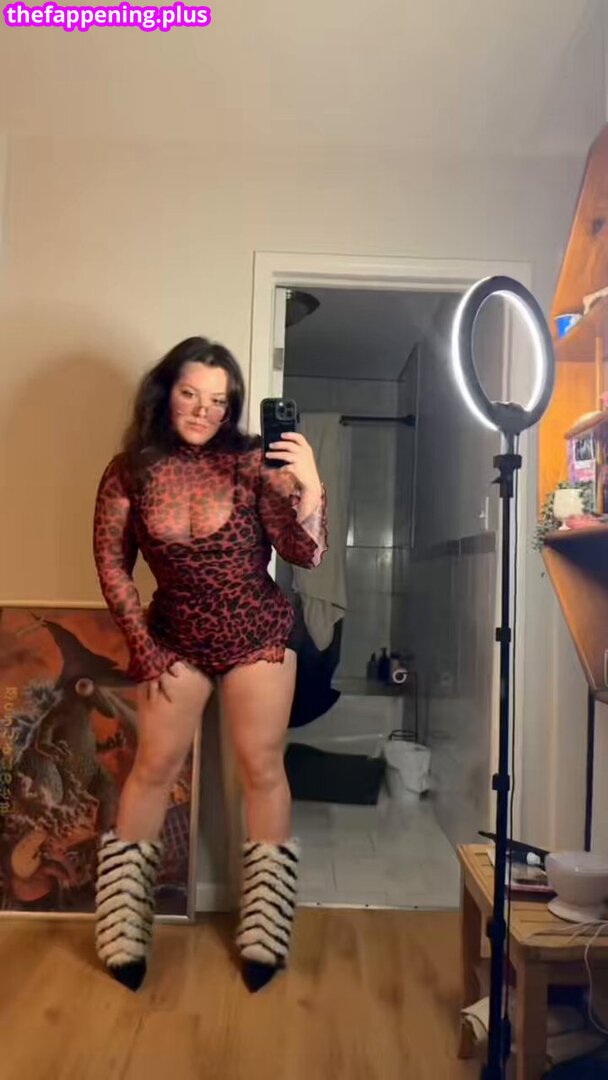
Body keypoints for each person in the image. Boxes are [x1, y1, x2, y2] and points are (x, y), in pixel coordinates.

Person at [92, 337, 327, 993]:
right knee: (152, 770)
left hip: (257, 631)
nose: (203, 411)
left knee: (263, 768)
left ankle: (265, 936)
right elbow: (112, 564)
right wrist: (143, 645)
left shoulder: (252, 462)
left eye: (219, 401)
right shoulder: (128, 470)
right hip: (174, 637)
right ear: (166, 392)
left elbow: (303, 553)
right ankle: (121, 934)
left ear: (232, 406)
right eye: (191, 394)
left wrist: (309, 486)